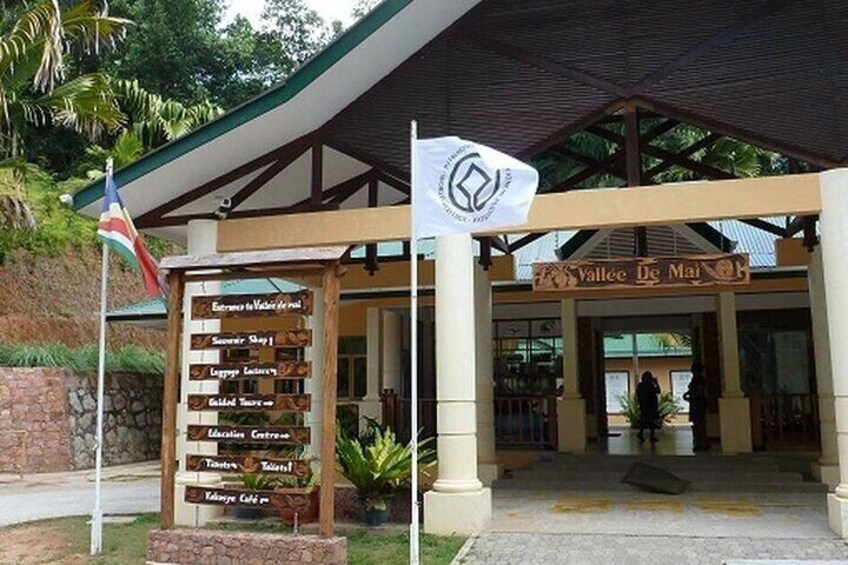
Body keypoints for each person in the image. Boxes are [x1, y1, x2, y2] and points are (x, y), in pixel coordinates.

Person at [683, 362, 709, 451]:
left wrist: (692, 397)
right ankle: (701, 442)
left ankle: (701, 442)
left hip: (698, 403)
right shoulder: (696, 378)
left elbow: (699, 390)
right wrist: (687, 394)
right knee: (698, 422)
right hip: (697, 402)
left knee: (699, 423)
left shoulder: (698, 379)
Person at [636, 371, 660, 443]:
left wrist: (656, 384)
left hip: (650, 405)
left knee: (651, 421)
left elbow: (658, 391)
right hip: (647, 405)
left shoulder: (648, 385)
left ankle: (648, 435)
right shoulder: (642, 385)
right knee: (647, 420)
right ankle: (643, 434)